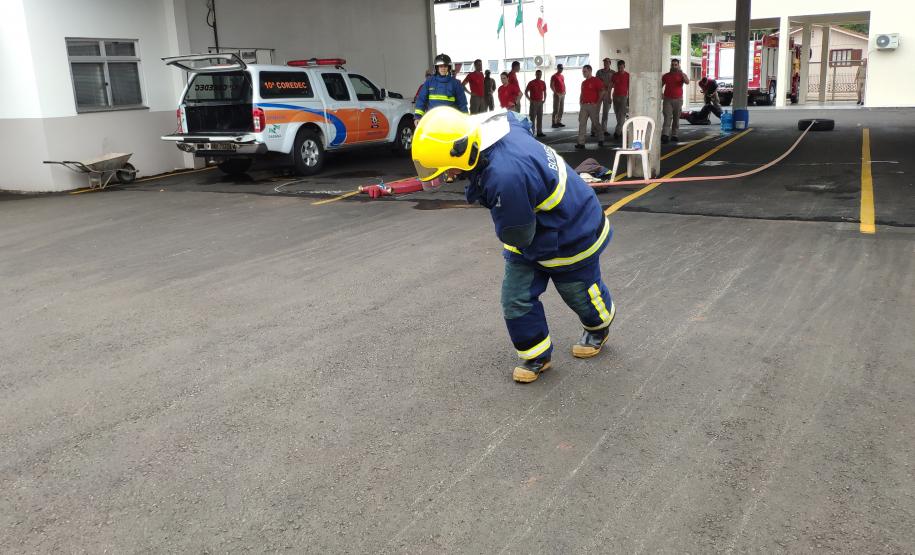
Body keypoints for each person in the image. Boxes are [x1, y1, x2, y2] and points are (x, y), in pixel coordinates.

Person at [411, 107, 616, 383]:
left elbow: (516, 234)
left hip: (573, 229)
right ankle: (536, 355)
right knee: (515, 297)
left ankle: (598, 327)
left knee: (578, 292)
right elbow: (518, 117)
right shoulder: (495, 126)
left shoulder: (505, 176)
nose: (446, 175)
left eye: (447, 169)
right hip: (536, 229)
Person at [414, 53, 468, 123]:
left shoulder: (455, 83)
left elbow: (462, 103)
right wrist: (418, 117)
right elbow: (421, 99)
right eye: (440, 66)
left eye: (445, 66)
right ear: (437, 68)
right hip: (432, 121)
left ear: (449, 67)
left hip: (450, 122)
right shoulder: (429, 82)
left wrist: (465, 119)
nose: (443, 68)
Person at [575, 64, 605, 149]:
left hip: (593, 105)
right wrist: (580, 101)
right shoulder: (583, 83)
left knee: (595, 123)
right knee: (582, 124)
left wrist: (597, 102)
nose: (583, 73)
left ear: (590, 71)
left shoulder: (596, 80)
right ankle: (581, 143)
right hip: (584, 105)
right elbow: (582, 93)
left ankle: (601, 138)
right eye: (583, 72)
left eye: (585, 71)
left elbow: (602, 91)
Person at [661, 58, 689, 143]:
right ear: (671, 65)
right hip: (667, 99)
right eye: (672, 65)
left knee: (676, 118)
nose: (674, 66)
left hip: (678, 99)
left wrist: (682, 74)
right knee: (667, 117)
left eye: (675, 65)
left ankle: (674, 134)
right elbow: (660, 85)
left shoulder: (682, 74)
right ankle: (665, 135)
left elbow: (687, 82)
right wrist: (661, 94)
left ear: (678, 65)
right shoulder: (666, 76)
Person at [595, 57, 616, 137]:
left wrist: (610, 90)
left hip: (607, 93)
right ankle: (594, 129)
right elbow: (596, 82)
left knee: (605, 113)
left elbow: (614, 83)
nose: (605, 64)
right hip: (599, 93)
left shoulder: (613, 73)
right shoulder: (599, 72)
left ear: (610, 63)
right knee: (596, 112)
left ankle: (604, 130)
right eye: (604, 62)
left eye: (607, 62)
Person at [610, 59, 630, 140]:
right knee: (618, 115)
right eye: (619, 67)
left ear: (624, 67)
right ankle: (621, 131)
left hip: (623, 97)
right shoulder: (614, 75)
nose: (620, 69)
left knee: (622, 115)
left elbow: (630, 87)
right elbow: (611, 85)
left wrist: (629, 98)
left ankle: (617, 132)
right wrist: (609, 95)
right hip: (615, 97)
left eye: (621, 67)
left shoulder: (627, 75)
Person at [525, 69, 547, 138]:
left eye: (540, 74)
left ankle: (539, 132)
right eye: (537, 74)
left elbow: (545, 92)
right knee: (532, 118)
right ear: (535, 74)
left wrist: (544, 100)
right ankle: (532, 132)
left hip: (540, 102)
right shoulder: (531, 82)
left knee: (540, 118)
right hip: (533, 102)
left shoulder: (543, 82)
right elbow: (526, 92)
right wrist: (530, 100)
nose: (539, 76)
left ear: (541, 75)